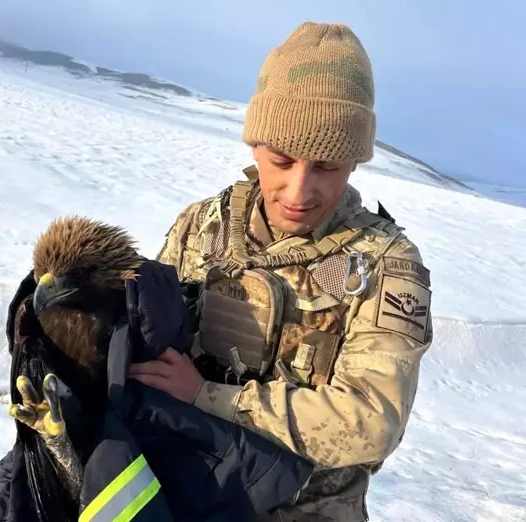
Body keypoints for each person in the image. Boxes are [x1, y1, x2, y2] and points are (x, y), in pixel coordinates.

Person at [129, 21, 433, 522]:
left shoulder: (386, 266)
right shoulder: (203, 224)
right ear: (255, 147)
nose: (298, 191)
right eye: (282, 160)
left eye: (327, 167)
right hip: (183, 492)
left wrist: (209, 397)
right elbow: (148, 339)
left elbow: (372, 422)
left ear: (354, 163)